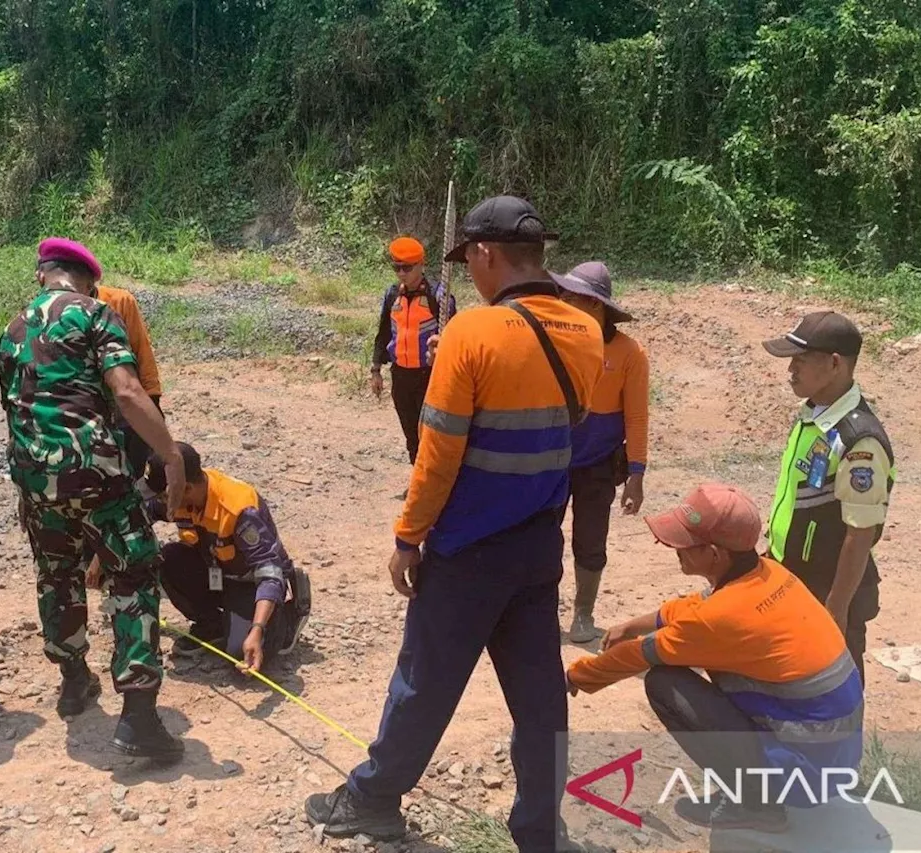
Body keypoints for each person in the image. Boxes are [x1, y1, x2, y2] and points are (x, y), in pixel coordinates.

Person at [306, 196, 604, 852]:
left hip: (468, 548)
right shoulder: (585, 331)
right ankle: (539, 830)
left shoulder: (470, 332)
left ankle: (375, 797)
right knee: (539, 696)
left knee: (426, 680)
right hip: (537, 546)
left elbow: (437, 456)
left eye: (469, 256)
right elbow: (568, 426)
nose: (468, 269)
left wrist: (408, 537)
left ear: (487, 254)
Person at [567, 483, 864, 832]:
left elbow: (639, 655)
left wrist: (575, 676)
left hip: (808, 773)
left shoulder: (720, 617)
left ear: (715, 554)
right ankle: (758, 788)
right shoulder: (770, 574)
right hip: (834, 757)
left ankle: (756, 805)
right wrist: (632, 624)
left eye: (685, 543)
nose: (671, 547)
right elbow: (698, 605)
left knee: (665, 682)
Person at [0, 237, 188, 759]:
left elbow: (18, 411)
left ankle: (74, 680)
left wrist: (29, 488)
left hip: (36, 480)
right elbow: (126, 390)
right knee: (134, 571)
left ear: (42, 276)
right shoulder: (96, 315)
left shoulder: (10, 332)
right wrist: (168, 454)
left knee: (57, 573)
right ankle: (140, 718)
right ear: (86, 281)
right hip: (94, 474)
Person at [762, 312, 894, 685]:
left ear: (834, 364)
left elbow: (859, 533)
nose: (791, 368)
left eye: (800, 360)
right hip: (794, 577)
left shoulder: (859, 439)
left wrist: (836, 608)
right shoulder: (814, 417)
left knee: (836, 690)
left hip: (830, 590)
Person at [142, 442, 311, 675]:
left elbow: (269, 573)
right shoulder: (181, 497)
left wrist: (258, 629)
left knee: (244, 654)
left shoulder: (240, 510)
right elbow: (142, 513)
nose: (160, 502)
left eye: (162, 496)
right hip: (217, 570)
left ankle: (289, 618)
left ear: (186, 488)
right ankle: (211, 624)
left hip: (250, 582)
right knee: (167, 557)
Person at [552, 262, 649, 642]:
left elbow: (637, 417)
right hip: (552, 460)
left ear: (595, 306)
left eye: (572, 298)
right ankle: (539, 613)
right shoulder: (555, 342)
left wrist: (636, 474)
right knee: (542, 538)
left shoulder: (629, 354)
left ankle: (583, 616)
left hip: (598, 465)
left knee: (590, 540)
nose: (563, 302)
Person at [370, 237, 457, 465]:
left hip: (428, 377)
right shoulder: (392, 296)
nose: (401, 273)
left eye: (407, 268)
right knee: (411, 434)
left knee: (430, 434)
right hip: (400, 376)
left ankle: (434, 484)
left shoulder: (438, 296)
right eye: (397, 267)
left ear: (421, 265)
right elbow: (384, 334)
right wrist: (375, 370)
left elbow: (455, 338)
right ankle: (418, 480)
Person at [95, 282, 163, 479]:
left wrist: (152, 398)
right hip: (90, 411)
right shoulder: (50, 312)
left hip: (125, 404)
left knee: (138, 469)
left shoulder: (119, 302)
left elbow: (141, 350)